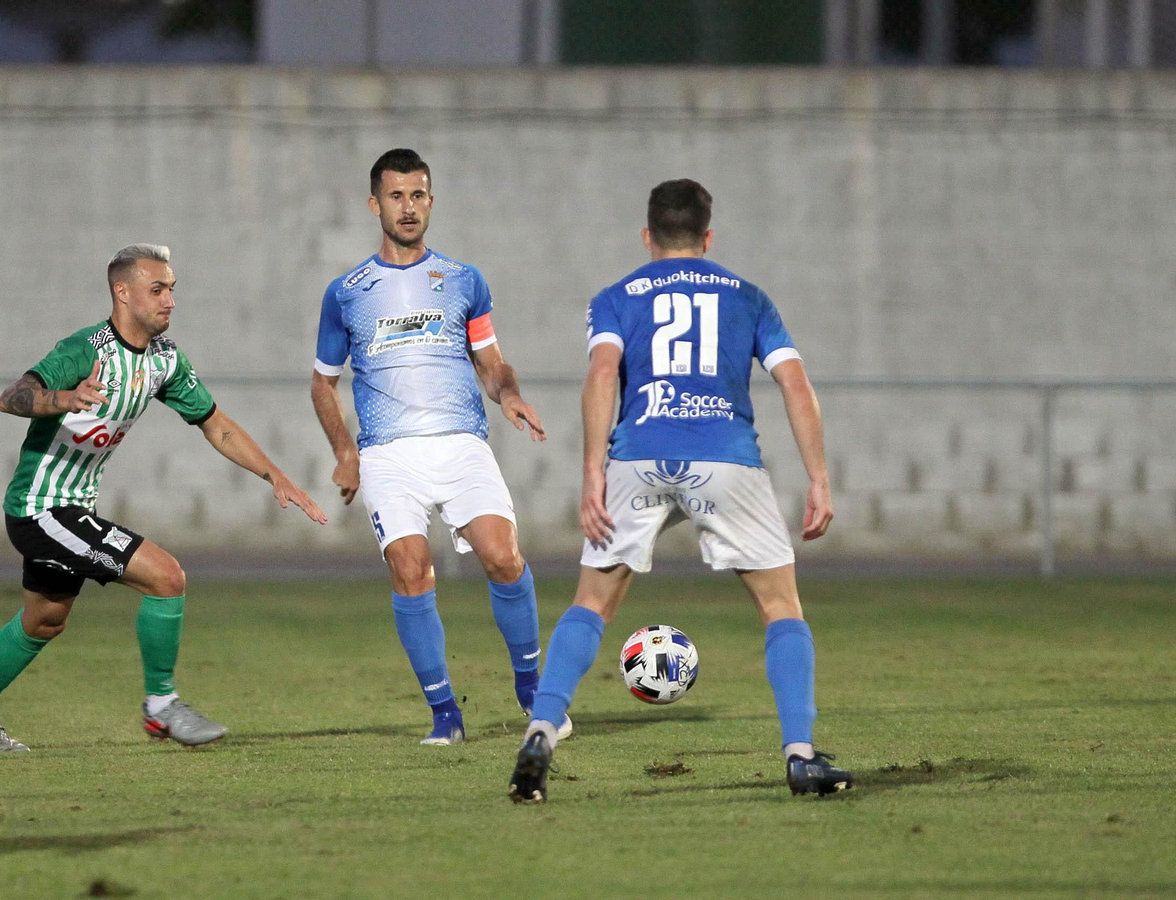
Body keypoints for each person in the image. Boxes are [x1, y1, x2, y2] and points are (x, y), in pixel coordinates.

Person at [507, 178, 852, 803]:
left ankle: (540, 732)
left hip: (637, 457)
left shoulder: (616, 297)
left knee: (593, 602)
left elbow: (603, 371)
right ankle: (801, 756)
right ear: (708, 236)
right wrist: (820, 478)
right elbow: (795, 385)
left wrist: (591, 472)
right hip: (724, 458)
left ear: (647, 236)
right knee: (781, 607)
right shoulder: (748, 297)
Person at [0, 243, 325, 751]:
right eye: (158, 289)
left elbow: (216, 424)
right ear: (122, 292)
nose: (170, 300)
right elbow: (11, 396)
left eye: (172, 290)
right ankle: (161, 708)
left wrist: (274, 474)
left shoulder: (164, 361)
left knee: (46, 619)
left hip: (73, 508)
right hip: (41, 508)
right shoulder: (86, 350)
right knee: (167, 577)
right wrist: (62, 398)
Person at [311, 149, 567, 746]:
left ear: (431, 201)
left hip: (460, 444)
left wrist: (509, 396)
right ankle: (445, 715)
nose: (408, 207)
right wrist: (345, 452)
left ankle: (531, 689)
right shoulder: (346, 292)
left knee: (503, 557)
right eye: (396, 196)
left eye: (418, 195)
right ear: (375, 204)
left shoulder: (464, 280)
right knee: (410, 569)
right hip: (387, 453)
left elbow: (491, 361)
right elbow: (323, 381)